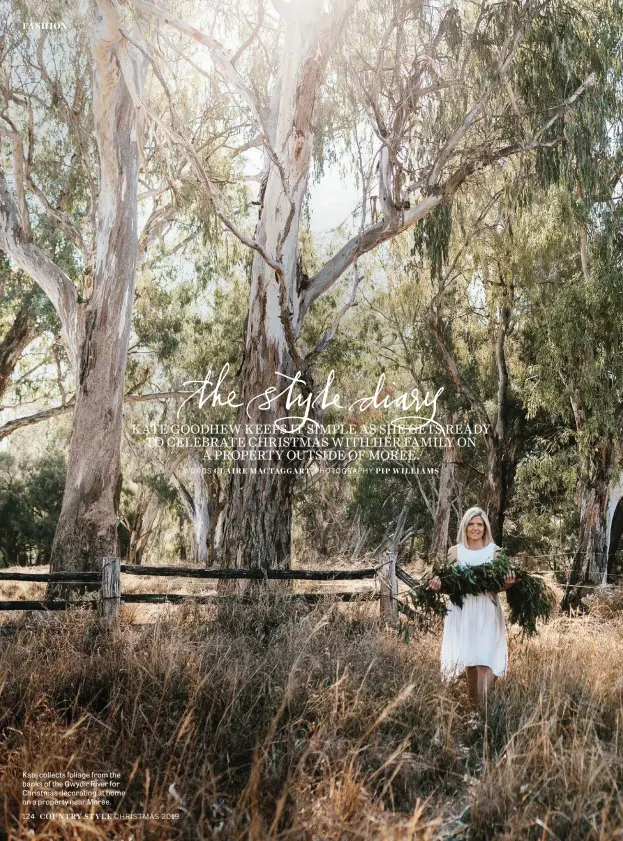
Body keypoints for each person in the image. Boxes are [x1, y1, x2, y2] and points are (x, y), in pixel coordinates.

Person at [428, 507, 515, 708]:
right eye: (471, 524)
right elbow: (449, 586)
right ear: (465, 526)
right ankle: (476, 710)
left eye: (480, 525)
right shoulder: (455, 552)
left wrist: (509, 583)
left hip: (487, 610)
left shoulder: (495, 551)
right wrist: (436, 586)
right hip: (463, 611)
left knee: (485, 659)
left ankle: (485, 714)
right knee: (471, 660)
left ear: (485, 528)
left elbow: (499, 586)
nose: (475, 528)